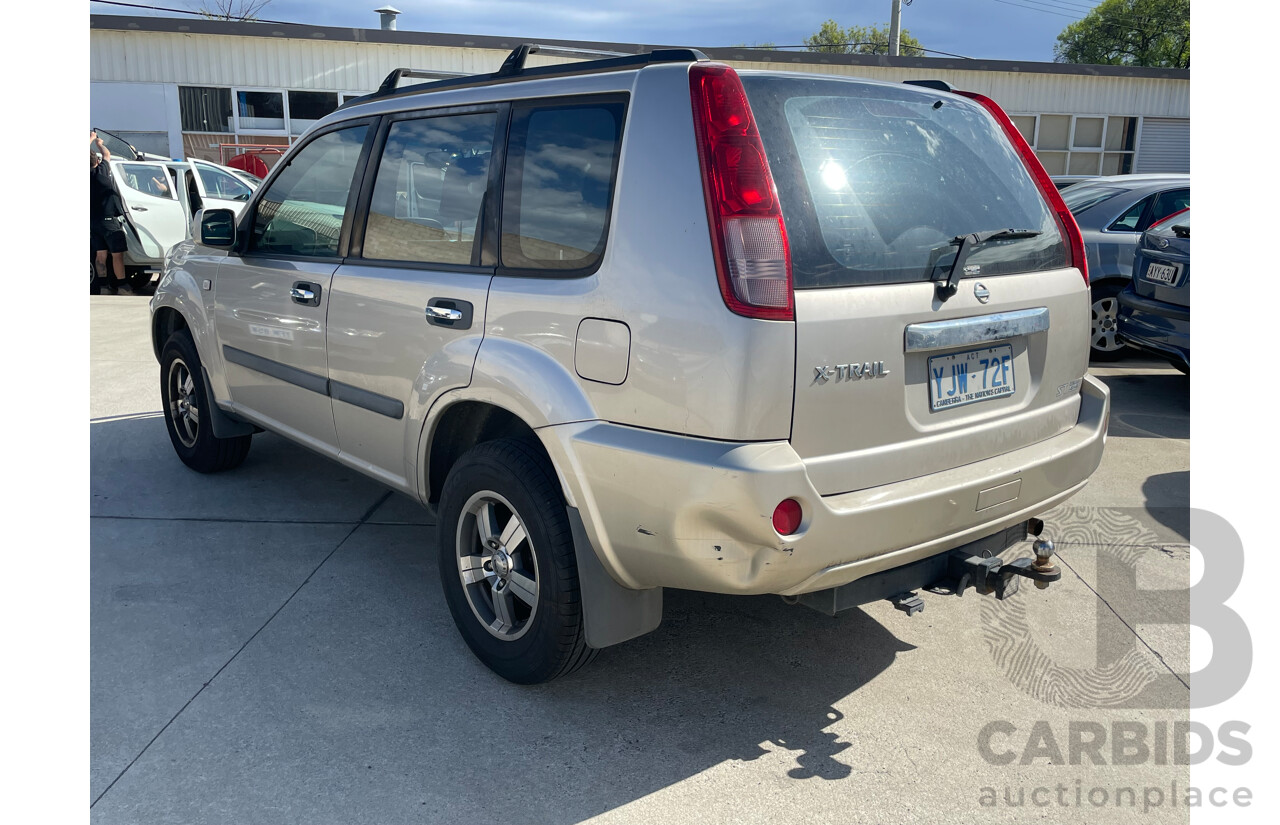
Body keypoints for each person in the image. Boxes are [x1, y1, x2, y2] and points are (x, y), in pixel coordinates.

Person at [90, 131, 135, 296]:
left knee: (100, 254)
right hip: (109, 220)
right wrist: (99, 143)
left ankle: (104, 287)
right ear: (97, 161)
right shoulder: (101, 172)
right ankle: (123, 286)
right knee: (117, 255)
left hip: (93, 222)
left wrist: (90, 140)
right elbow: (107, 154)